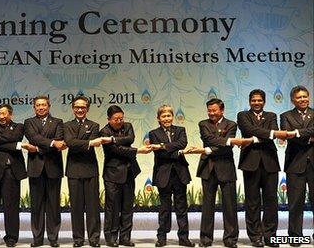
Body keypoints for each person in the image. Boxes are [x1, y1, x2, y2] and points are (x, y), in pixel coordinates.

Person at [185, 98, 251, 248]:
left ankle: (230, 239)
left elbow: (226, 148)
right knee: (207, 206)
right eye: (209, 110)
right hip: (207, 169)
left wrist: (208, 149)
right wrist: (229, 141)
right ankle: (206, 239)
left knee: (230, 206)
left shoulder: (232, 124)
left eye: (214, 110)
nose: (211, 113)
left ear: (222, 110)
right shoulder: (203, 124)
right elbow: (209, 139)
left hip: (226, 168)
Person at [237, 89, 286, 247]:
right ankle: (255, 236)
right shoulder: (243, 115)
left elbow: (273, 134)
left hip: (270, 163)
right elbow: (247, 130)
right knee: (252, 202)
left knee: (271, 201)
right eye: (253, 100)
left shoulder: (271, 115)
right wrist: (270, 134)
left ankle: (270, 236)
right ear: (249, 101)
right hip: (250, 163)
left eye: (259, 100)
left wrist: (256, 138)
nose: (256, 103)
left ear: (264, 102)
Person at [0, 104, 35, 247]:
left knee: (11, 207)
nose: (1, 116)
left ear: (10, 114)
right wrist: (20, 145)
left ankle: (11, 238)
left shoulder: (19, 126)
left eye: (4, 113)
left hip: (13, 171)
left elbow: (14, 136)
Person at [100, 105, 152, 247]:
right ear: (108, 119)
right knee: (112, 207)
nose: (119, 121)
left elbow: (130, 138)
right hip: (112, 173)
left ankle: (125, 237)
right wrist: (137, 151)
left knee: (128, 206)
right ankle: (111, 237)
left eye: (121, 118)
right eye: (116, 119)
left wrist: (113, 139)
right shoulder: (103, 131)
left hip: (129, 172)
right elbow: (117, 150)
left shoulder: (128, 126)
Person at [63, 95, 111, 247]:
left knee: (93, 207)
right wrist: (88, 141)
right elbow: (70, 142)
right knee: (76, 207)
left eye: (83, 107)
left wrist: (79, 142)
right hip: (73, 169)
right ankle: (78, 239)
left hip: (90, 169)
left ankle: (94, 239)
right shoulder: (66, 125)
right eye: (77, 107)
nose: (79, 110)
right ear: (72, 109)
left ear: (87, 109)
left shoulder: (94, 125)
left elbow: (84, 143)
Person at [148, 105, 194, 247]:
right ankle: (162, 237)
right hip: (163, 174)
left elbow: (182, 143)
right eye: (164, 116)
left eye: (169, 116)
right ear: (158, 118)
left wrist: (162, 146)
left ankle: (184, 238)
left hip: (180, 173)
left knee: (181, 207)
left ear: (172, 117)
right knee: (164, 208)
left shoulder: (180, 130)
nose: (166, 119)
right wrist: (178, 152)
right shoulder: (153, 133)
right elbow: (160, 154)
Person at [24, 96, 66, 247]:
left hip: (53, 167)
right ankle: (37, 238)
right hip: (36, 168)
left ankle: (53, 238)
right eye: (37, 105)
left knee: (54, 205)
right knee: (36, 205)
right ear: (34, 108)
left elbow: (60, 140)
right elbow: (32, 137)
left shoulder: (58, 122)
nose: (40, 107)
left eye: (43, 105)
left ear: (49, 106)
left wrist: (37, 148)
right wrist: (52, 143)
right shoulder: (28, 122)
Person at [280, 85, 314, 247]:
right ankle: (295, 236)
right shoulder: (285, 116)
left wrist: (298, 132)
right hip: (295, 164)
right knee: (295, 203)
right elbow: (288, 135)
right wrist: (309, 136)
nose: (303, 99)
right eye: (299, 97)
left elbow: (295, 134)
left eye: (305, 96)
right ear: (293, 100)